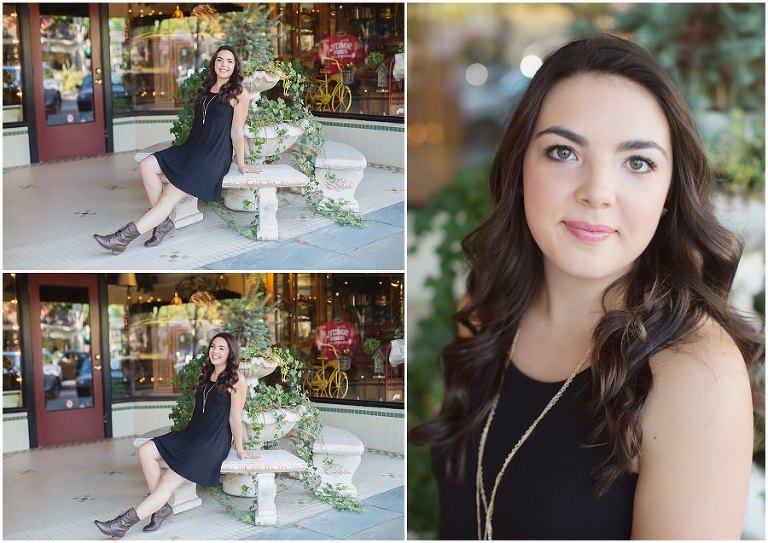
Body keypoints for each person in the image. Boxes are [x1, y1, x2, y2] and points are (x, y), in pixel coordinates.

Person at [409, 34, 761, 540]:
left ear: (668, 193)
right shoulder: (488, 306)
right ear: (519, 167)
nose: (597, 192)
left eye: (637, 162)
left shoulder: (695, 374)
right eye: (563, 151)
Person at [93, 45, 260, 254]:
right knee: (147, 165)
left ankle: (122, 238)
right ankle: (163, 223)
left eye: (229, 61)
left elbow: (237, 130)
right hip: (192, 148)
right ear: (214, 63)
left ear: (235, 66)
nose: (224, 65)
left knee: (168, 195)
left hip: (212, 156)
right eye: (219, 60)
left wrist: (242, 163)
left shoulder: (239, 93)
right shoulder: (208, 87)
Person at [93, 332, 259, 538]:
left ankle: (121, 524)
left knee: (167, 482)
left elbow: (235, 417)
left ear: (231, 352)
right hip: (192, 434)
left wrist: (240, 448)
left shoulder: (237, 379)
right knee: (146, 450)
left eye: (221, 348)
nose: (215, 351)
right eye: (213, 346)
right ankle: (161, 507)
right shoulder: (207, 374)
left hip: (212, 442)